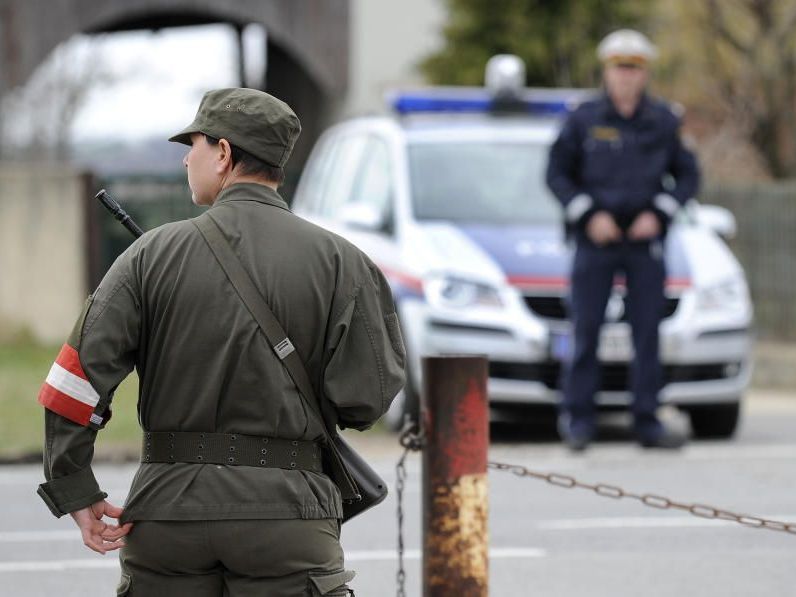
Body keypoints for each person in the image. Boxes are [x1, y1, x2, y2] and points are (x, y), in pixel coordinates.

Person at [36, 87, 406, 596]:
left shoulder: (149, 256)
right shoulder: (344, 262)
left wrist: (74, 485)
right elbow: (365, 400)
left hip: (167, 515)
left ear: (225, 153)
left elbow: (73, 383)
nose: (188, 158)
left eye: (194, 145)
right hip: (290, 518)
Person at [546, 30, 699, 451]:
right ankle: (578, 421)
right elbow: (556, 173)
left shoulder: (664, 121)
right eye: (619, 67)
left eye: (634, 68)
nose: (626, 76)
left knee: (647, 331)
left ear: (644, 73)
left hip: (644, 242)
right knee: (586, 329)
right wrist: (588, 214)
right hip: (596, 240)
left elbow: (688, 175)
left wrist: (661, 212)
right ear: (607, 71)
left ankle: (647, 421)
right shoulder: (584, 119)